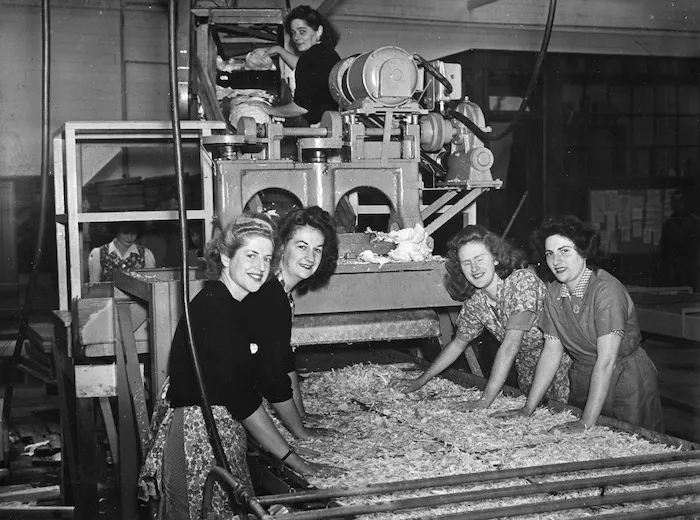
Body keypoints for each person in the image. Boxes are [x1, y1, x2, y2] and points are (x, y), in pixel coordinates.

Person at [138, 214, 340, 520]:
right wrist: (297, 460)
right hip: (197, 435)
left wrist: (300, 431)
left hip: (220, 430)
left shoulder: (234, 304)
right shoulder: (215, 307)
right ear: (224, 256)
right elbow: (242, 397)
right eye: (251, 255)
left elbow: (266, 373)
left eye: (266, 258)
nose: (260, 267)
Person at [494, 215, 664, 433]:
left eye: (565, 251)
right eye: (550, 254)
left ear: (583, 252)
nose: (556, 261)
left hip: (626, 379)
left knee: (631, 442)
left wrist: (586, 421)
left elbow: (607, 361)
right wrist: (528, 408)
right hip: (584, 377)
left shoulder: (606, 291)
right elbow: (551, 352)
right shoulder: (554, 292)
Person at [392, 225, 571, 409]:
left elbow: (511, 345)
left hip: (562, 367)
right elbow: (457, 344)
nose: (475, 268)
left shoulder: (522, 283)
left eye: (479, 259)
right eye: (467, 263)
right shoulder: (477, 300)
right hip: (527, 372)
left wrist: (484, 401)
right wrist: (420, 381)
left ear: (495, 258)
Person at [245, 206, 339, 420]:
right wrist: (300, 431)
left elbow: (284, 360)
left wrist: (301, 415)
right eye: (302, 246)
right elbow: (273, 374)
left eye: (317, 249)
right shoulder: (269, 294)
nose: (310, 256)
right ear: (282, 246)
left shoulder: (281, 293)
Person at [253, 5, 341, 126]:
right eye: (293, 33)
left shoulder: (310, 57)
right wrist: (279, 50)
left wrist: (270, 110)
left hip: (320, 128)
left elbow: (301, 108)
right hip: (333, 122)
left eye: (302, 32)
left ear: (319, 31)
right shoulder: (327, 53)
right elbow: (306, 69)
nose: (296, 38)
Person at [658, 188, 700, 291]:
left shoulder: (695, 222)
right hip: (672, 268)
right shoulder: (669, 223)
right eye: (674, 202)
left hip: (690, 266)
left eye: (679, 202)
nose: (676, 205)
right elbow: (663, 246)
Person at [87, 222, 155, 283]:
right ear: (117, 232)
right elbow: (94, 286)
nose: (130, 237)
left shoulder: (145, 254)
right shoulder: (99, 253)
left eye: (133, 233)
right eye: (125, 232)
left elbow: (150, 285)